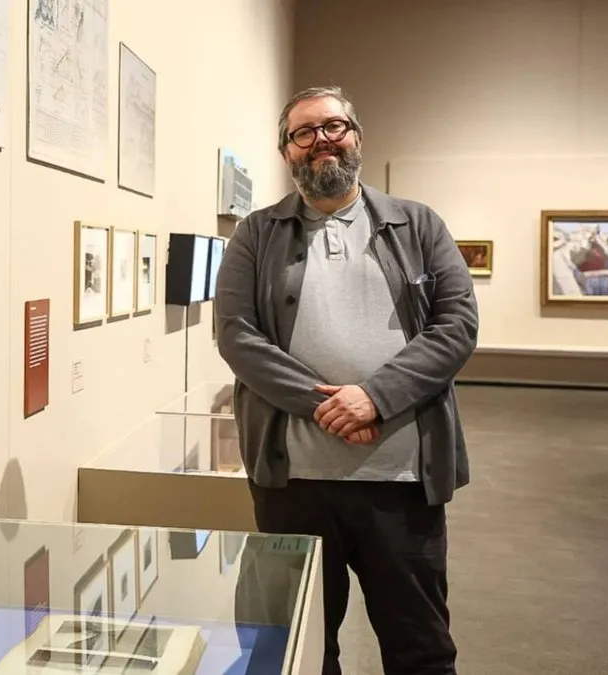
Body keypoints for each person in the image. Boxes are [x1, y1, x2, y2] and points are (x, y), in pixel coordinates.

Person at [214, 86, 479, 675]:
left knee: (421, 649)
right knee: (295, 648)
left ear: (357, 136)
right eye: (304, 133)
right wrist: (328, 406)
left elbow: (457, 326)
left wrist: (374, 398)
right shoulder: (256, 233)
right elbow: (236, 335)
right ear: (287, 151)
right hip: (293, 483)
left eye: (334, 127)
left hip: (402, 481)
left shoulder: (418, 225)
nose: (321, 141)